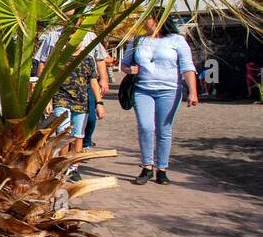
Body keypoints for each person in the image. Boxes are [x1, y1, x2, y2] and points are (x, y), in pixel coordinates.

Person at [120, 10, 197, 185]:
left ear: (157, 20)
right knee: (146, 127)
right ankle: (147, 166)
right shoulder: (137, 40)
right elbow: (125, 63)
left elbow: (187, 66)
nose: (142, 20)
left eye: (146, 16)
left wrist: (193, 91)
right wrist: (129, 70)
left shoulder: (177, 41)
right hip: (143, 89)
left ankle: (162, 169)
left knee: (164, 129)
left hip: (169, 90)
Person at [52, 55, 105, 180]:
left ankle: (73, 167)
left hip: (81, 101)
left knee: (78, 135)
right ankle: (63, 166)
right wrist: (48, 101)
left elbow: (93, 81)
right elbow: (51, 79)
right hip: (61, 99)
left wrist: (99, 102)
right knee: (64, 133)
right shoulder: (58, 56)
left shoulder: (88, 58)